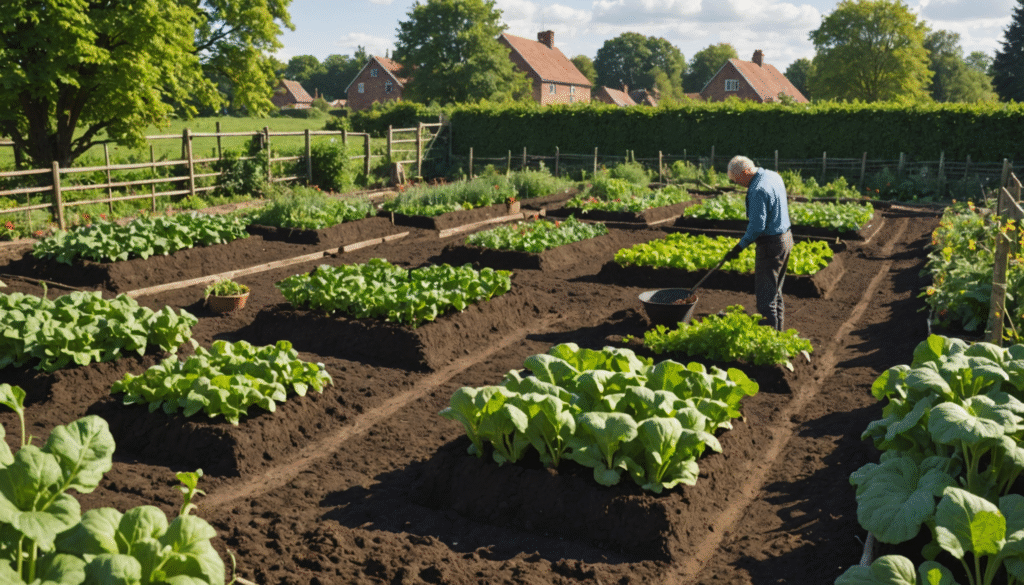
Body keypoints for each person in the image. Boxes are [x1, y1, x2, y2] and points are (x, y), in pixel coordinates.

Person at [721, 155, 793, 331]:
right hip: (786, 239)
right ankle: (778, 335)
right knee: (776, 293)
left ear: (745, 172)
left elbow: (757, 226)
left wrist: (739, 247)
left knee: (766, 298)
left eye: (737, 181)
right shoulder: (773, 176)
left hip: (771, 245)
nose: (739, 184)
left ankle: (770, 342)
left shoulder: (757, 190)